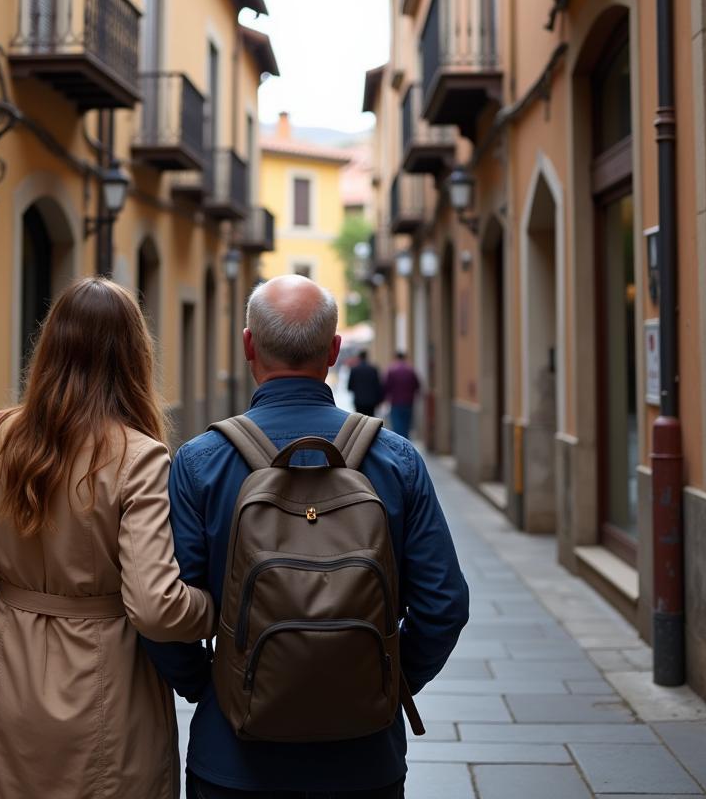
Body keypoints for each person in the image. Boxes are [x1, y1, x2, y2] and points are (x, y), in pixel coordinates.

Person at [144, 274, 469, 798]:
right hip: (364, 761)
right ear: (335, 351)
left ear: (248, 344)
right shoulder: (396, 458)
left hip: (235, 759)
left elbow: (161, 609)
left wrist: (210, 684)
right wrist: (378, 680)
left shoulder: (200, 462)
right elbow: (445, 604)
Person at [0, 278, 213, 799]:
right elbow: (155, 606)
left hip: (7, 681)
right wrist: (214, 609)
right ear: (133, 356)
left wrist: (12, 575)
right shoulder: (139, 456)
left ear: (49, 347)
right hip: (111, 690)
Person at [382, 352, 421, 440]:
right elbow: (417, 386)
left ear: (396, 358)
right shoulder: (411, 370)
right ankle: (406, 443)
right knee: (406, 426)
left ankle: (399, 445)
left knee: (397, 426)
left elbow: (386, 387)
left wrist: (384, 399)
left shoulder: (392, 370)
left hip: (395, 402)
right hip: (408, 402)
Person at [347, 349, 383, 416]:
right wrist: (379, 400)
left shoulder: (354, 370)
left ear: (359, 357)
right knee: (371, 421)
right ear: (367, 357)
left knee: (360, 422)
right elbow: (378, 386)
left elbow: (349, 387)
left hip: (359, 401)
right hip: (371, 401)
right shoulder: (373, 369)